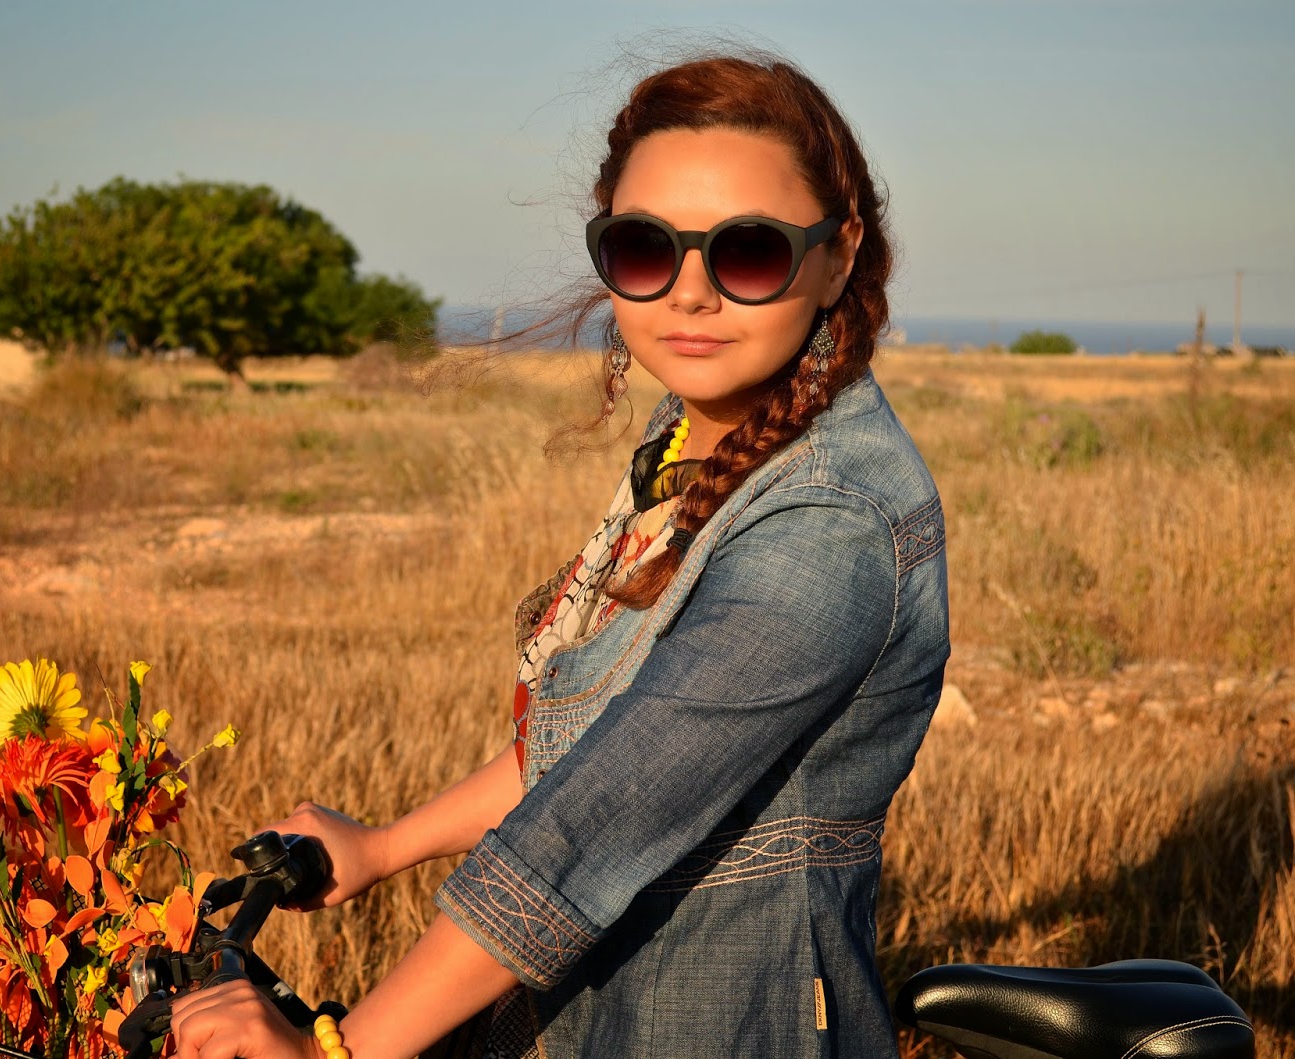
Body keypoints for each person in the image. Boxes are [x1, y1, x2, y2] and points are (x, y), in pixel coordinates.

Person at [171, 49, 950, 1059]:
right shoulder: (694, 439)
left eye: (749, 252)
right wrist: (384, 847)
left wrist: (343, 1051)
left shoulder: (828, 521)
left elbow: (592, 823)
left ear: (837, 257)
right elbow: (608, 733)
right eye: (645, 249)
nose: (689, 295)